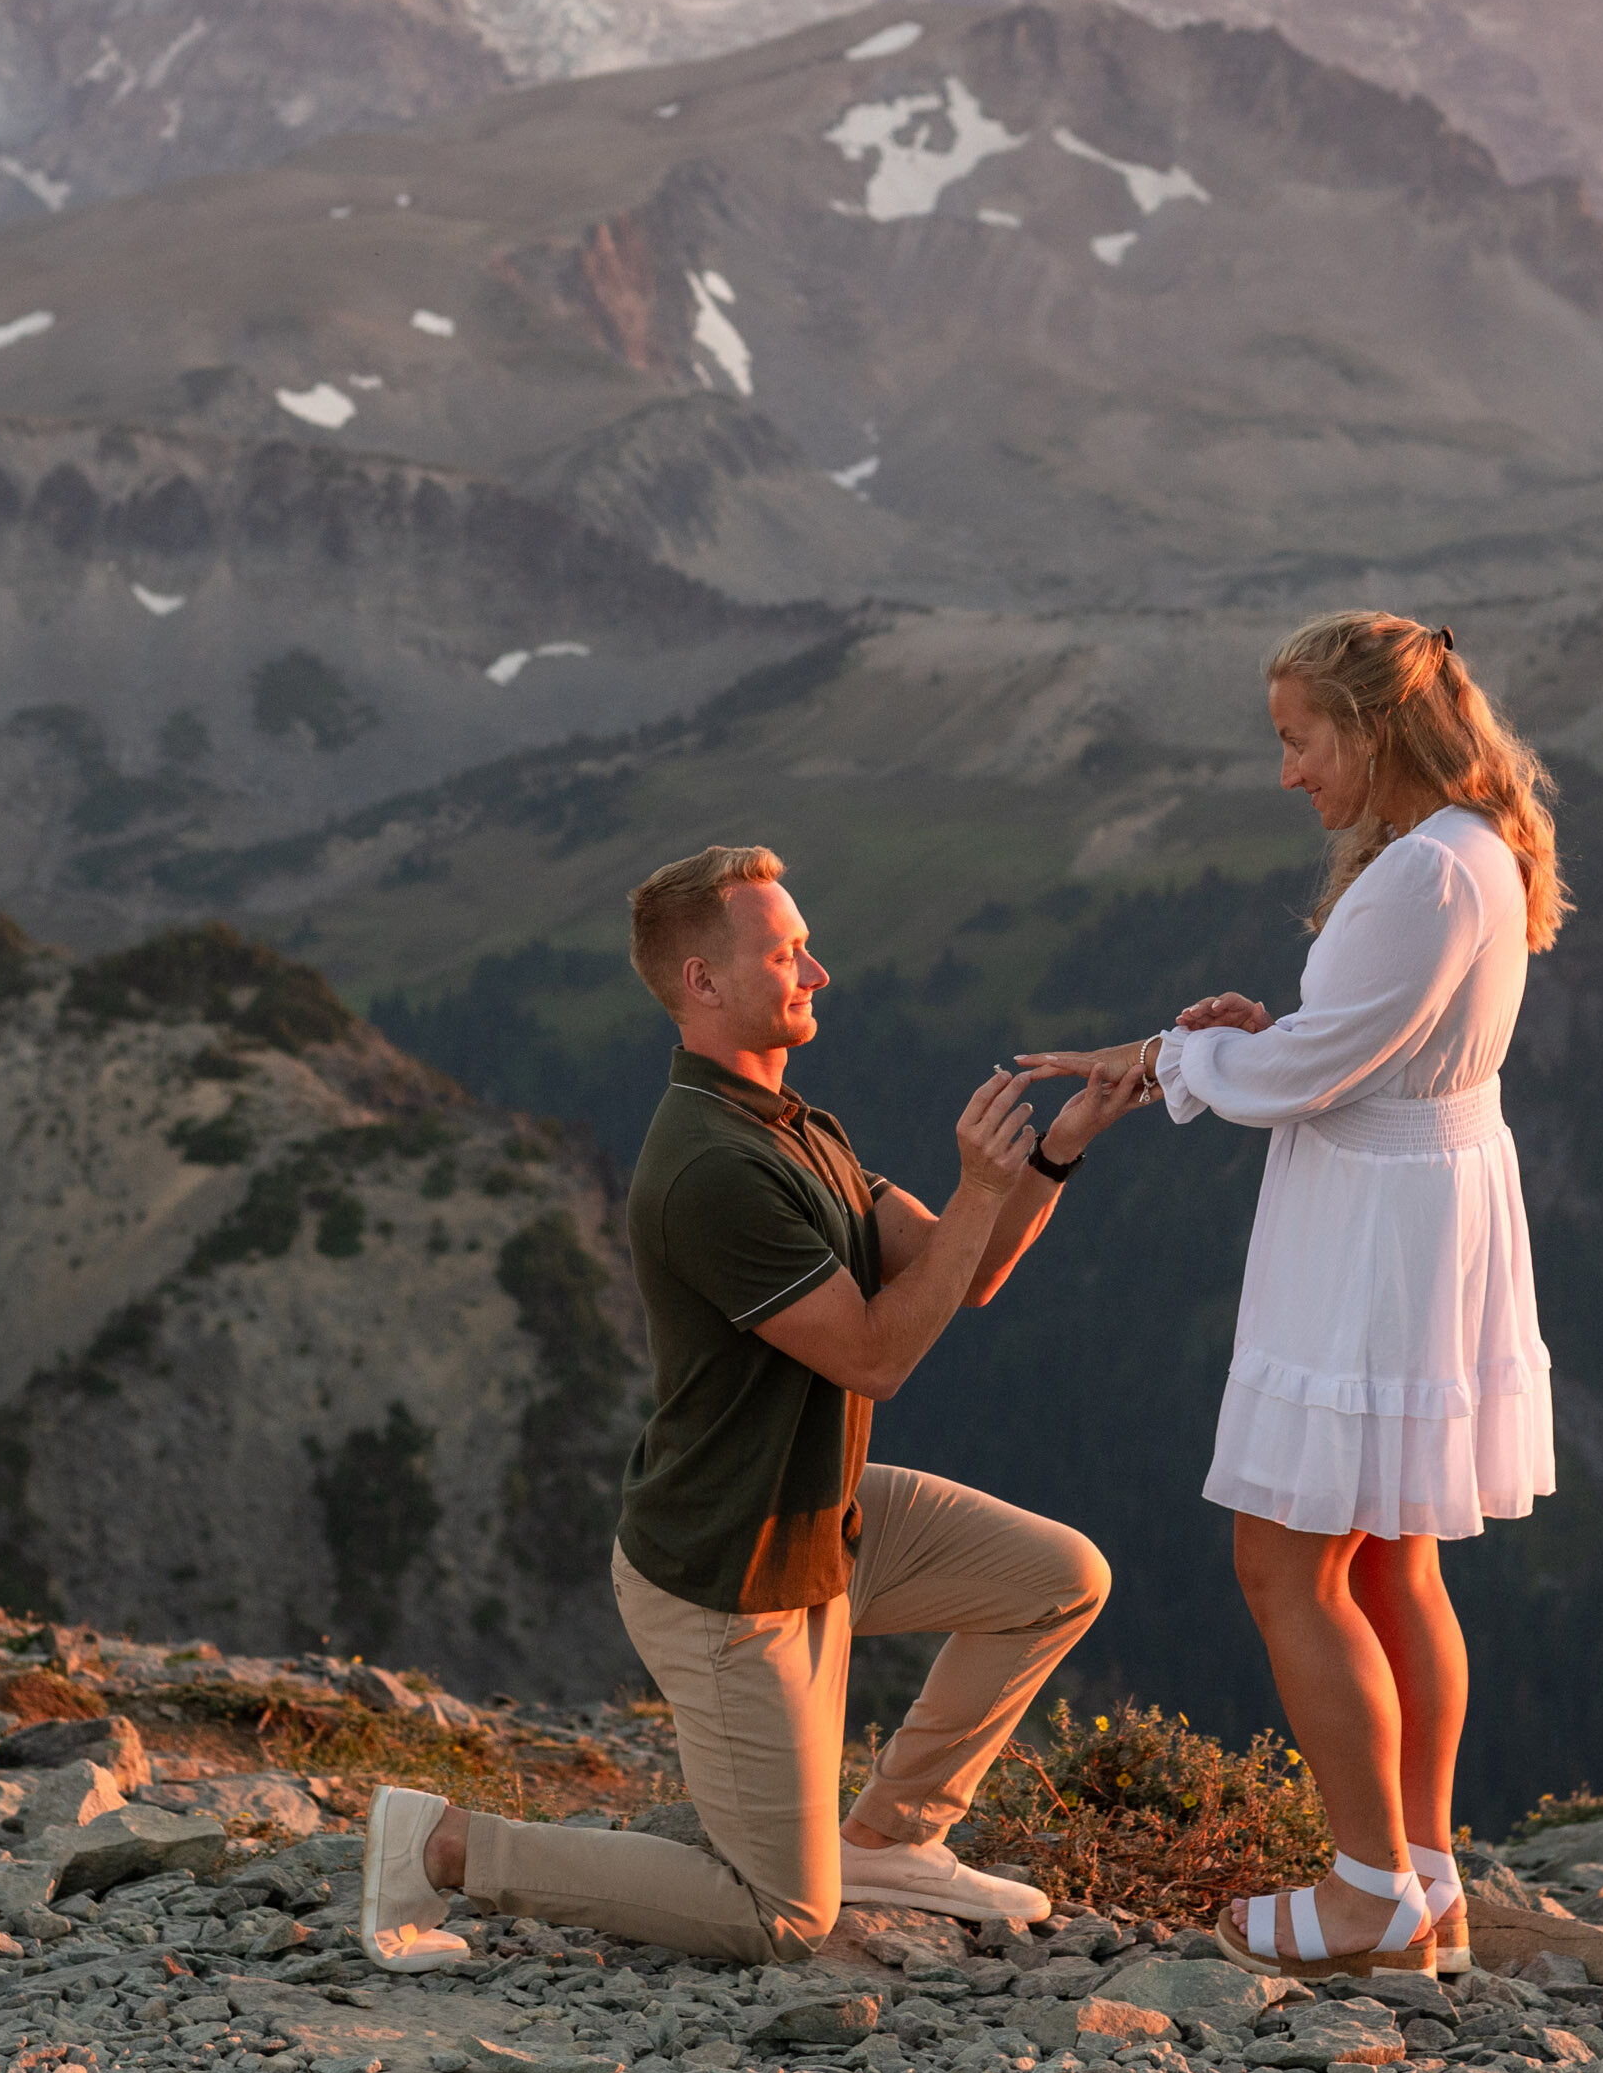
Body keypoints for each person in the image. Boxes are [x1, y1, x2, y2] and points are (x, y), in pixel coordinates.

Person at [360, 842, 1141, 1974]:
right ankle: (441, 1843)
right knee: (780, 1916)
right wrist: (978, 1181)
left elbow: (959, 1272)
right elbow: (876, 1358)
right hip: (731, 1569)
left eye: (806, 947)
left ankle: (890, 1839)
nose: (816, 972)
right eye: (785, 955)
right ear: (703, 981)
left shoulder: (793, 1126)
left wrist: (1056, 1150)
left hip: (820, 1516)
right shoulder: (711, 1167)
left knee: (1057, 1576)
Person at [1016, 612, 1562, 1980]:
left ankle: (1370, 1891)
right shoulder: (1473, 847)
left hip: (1372, 1229)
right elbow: (1359, 1046)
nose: (1288, 771)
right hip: (1423, 1205)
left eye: (1299, 738)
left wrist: (1167, 1059)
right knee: (1391, 1556)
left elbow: (1318, 1074)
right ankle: (1422, 1876)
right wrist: (1251, 1042)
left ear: (1369, 728)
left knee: (1286, 1560)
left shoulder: (1419, 872)